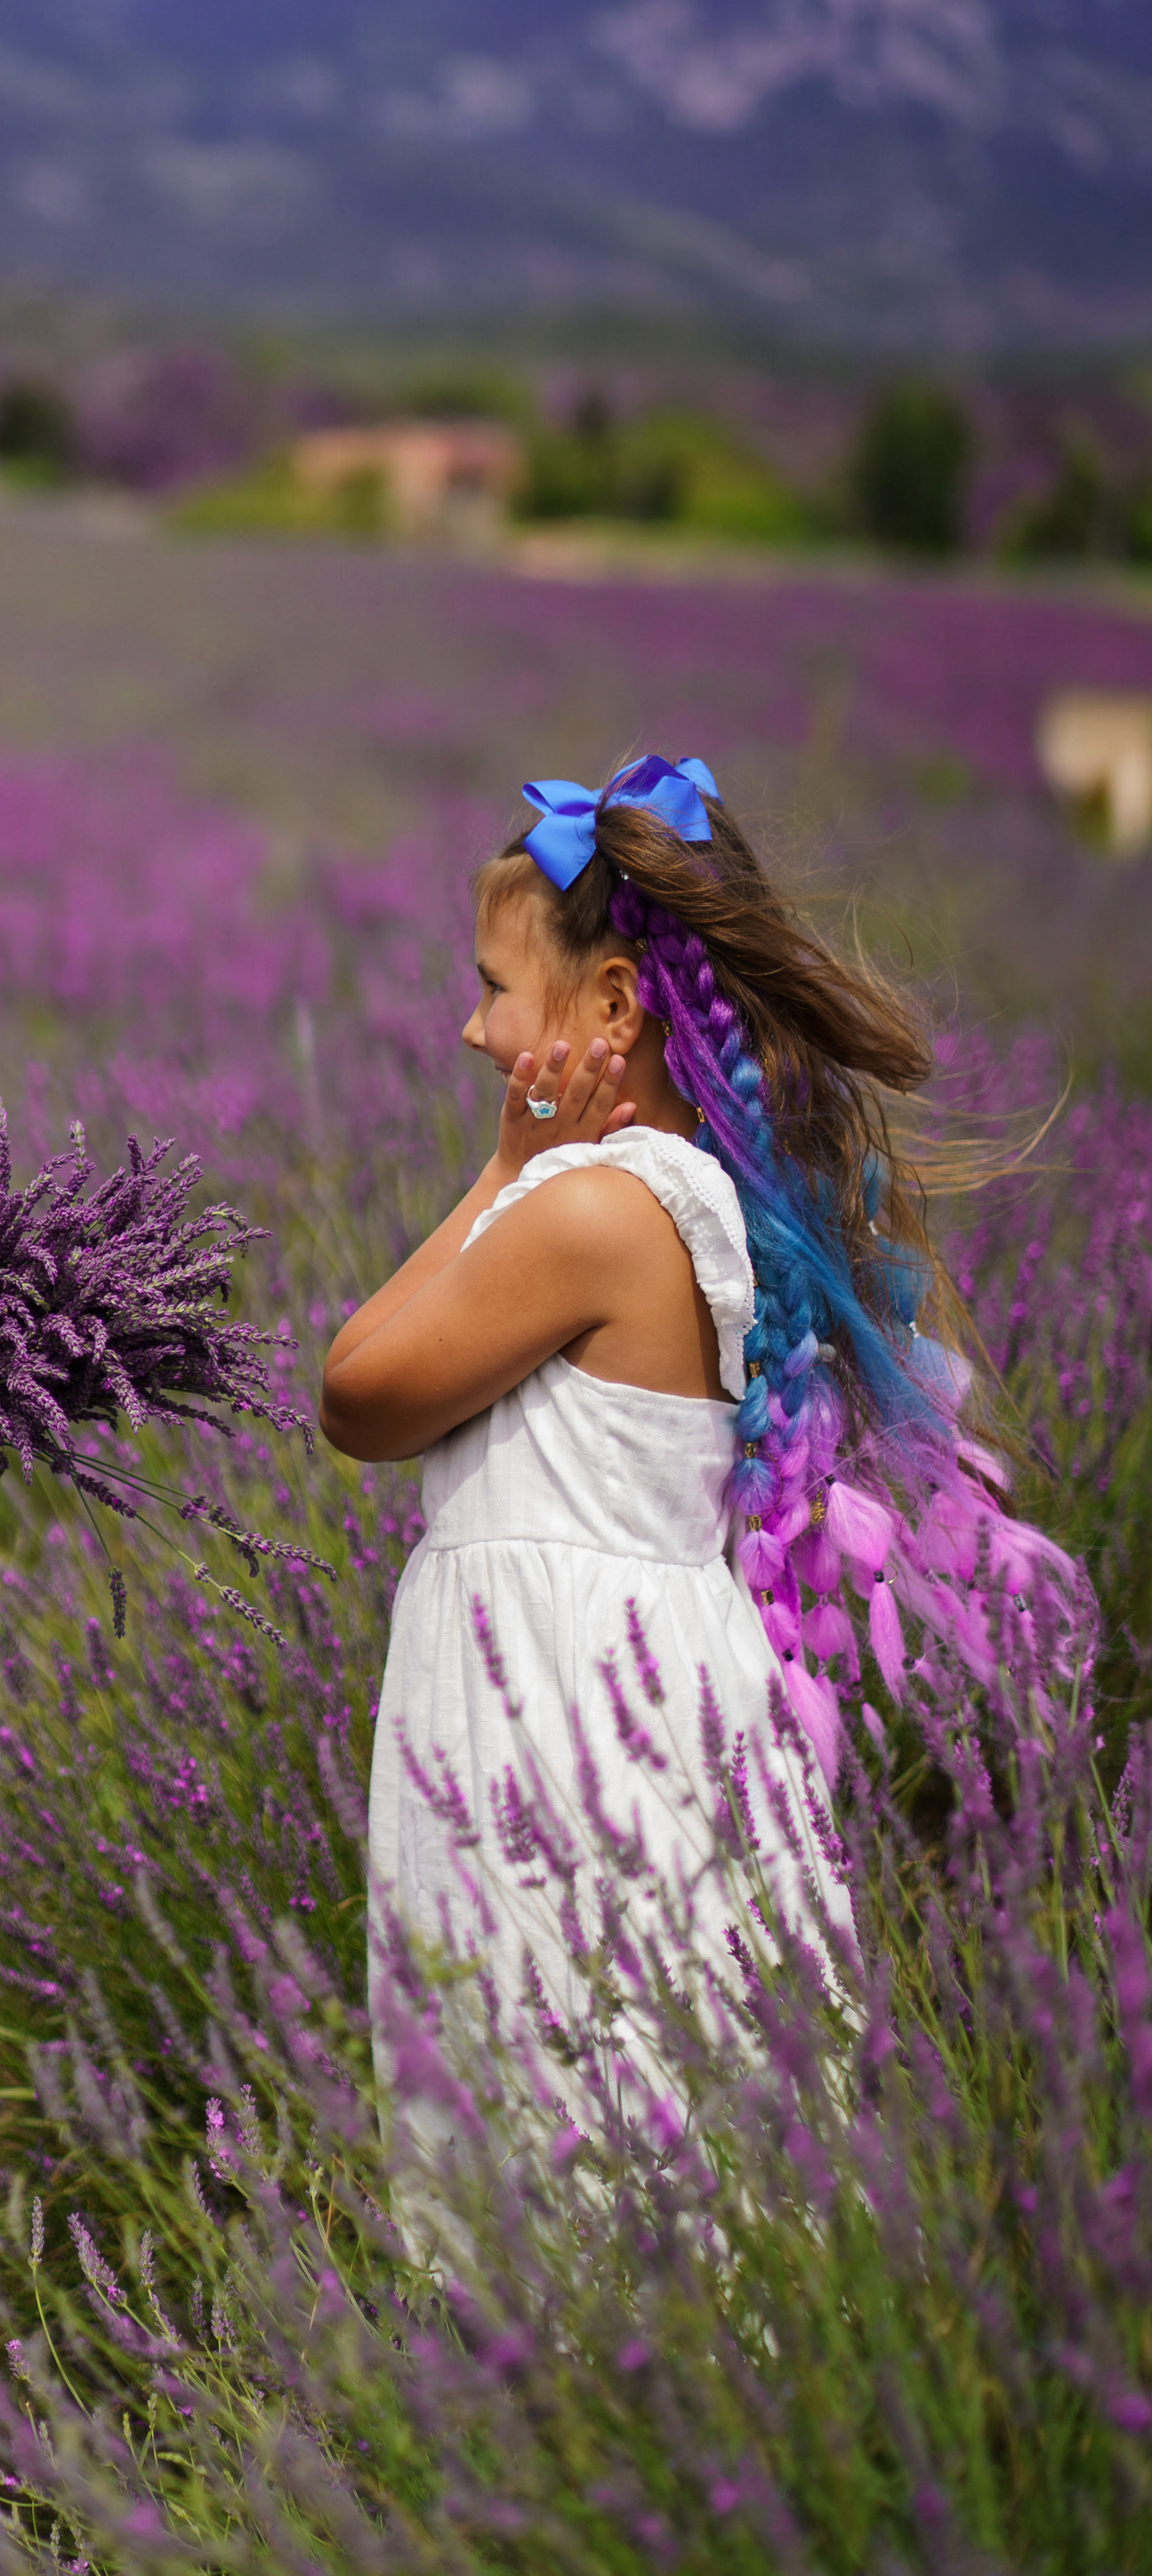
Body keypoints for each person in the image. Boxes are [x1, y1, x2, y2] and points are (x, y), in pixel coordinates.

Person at [321, 750, 982, 2094]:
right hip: (635, 1690)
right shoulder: (677, 1200)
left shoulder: (587, 1211)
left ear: (612, 1002)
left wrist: (507, 1167)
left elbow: (358, 1395)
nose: (470, 1029)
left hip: (562, 1718)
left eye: (492, 990)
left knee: (560, 2085)